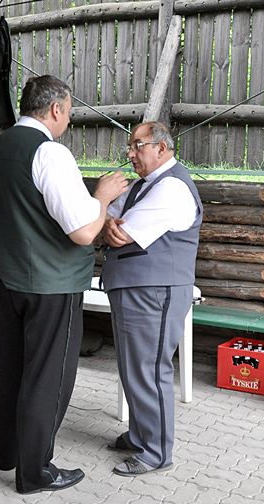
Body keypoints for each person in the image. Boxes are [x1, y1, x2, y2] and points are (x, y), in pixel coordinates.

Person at [0, 75, 127, 495]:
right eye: (70, 113)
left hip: (4, 278)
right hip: (50, 283)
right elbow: (82, 231)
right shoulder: (50, 152)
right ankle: (36, 470)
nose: (68, 120)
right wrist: (101, 195)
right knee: (48, 377)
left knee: (11, 369)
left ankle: (7, 450)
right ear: (57, 109)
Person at [100, 121, 202, 476]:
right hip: (136, 288)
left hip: (155, 292)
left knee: (149, 368)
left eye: (137, 146)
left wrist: (114, 226)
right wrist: (112, 225)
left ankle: (156, 451)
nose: (130, 155)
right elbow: (107, 222)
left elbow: (120, 232)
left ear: (161, 148)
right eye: (130, 147)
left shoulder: (171, 187)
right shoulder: (146, 185)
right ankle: (141, 433)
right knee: (133, 367)